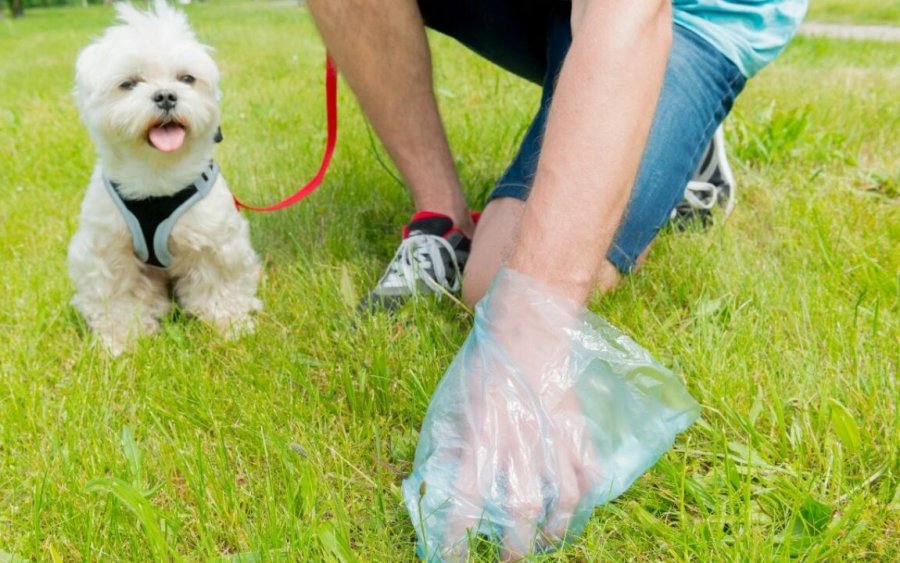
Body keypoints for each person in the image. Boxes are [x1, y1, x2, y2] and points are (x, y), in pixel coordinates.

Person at [306, 0, 807, 557]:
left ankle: (671, 126)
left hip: (681, 13)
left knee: (494, 281)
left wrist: (528, 328)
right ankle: (440, 217)